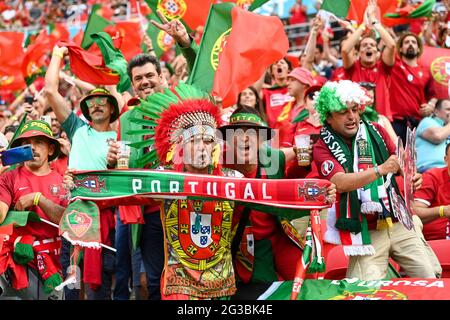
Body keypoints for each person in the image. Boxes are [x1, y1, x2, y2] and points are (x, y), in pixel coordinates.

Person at [313, 80, 437, 280]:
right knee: (363, 289)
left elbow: (401, 162)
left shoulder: (376, 130)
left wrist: (412, 176)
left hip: (400, 221)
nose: (352, 116)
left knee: (429, 278)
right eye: (343, 112)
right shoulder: (322, 147)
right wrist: (380, 170)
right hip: (365, 231)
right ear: (328, 117)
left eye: (355, 109)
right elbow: (340, 182)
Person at [219, 106, 336, 284]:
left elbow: (289, 155)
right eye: (237, 132)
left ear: (260, 140)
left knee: (307, 279)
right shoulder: (217, 164)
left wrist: (325, 192)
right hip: (243, 246)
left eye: (252, 133)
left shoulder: (272, 158)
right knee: (261, 288)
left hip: (278, 236)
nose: (245, 138)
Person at [45, 45, 120, 299]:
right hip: (77, 218)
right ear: (85, 109)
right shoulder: (77, 129)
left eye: (102, 102)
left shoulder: (121, 132)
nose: (96, 105)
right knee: (73, 286)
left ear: (112, 108)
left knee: (105, 284)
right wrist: (57, 55)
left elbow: (119, 92)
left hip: (110, 220)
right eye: (91, 102)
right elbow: (50, 91)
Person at [0, 120, 66, 298]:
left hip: (57, 263)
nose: (33, 148)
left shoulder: (63, 181)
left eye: (39, 142)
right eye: (27, 144)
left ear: (51, 150)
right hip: (22, 262)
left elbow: (68, 221)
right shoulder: (9, 178)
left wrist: (39, 199)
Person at [341, 0, 396, 121]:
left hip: (382, 119)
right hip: (358, 120)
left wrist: (374, 22)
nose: (368, 46)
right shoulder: (353, 67)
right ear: (359, 52)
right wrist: (363, 25)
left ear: (377, 52)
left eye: (372, 45)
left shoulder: (383, 67)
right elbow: (345, 50)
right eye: (364, 45)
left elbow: (391, 45)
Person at [390, 32, 436, 144]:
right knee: (398, 158)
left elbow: (433, 95)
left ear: (418, 48)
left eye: (413, 42)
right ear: (400, 49)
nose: (410, 44)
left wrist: (431, 105)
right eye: (406, 42)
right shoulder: (393, 66)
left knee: (417, 158)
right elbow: (389, 46)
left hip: (419, 123)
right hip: (397, 122)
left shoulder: (426, 71)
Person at [414, 143, 450, 240]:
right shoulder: (433, 177)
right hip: (435, 243)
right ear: (446, 160)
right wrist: (443, 211)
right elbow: (414, 213)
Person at [416, 99, 450, 173]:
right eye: (448, 109)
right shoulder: (427, 121)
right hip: (429, 170)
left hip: (446, 171)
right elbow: (438, 136)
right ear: (436, 112)